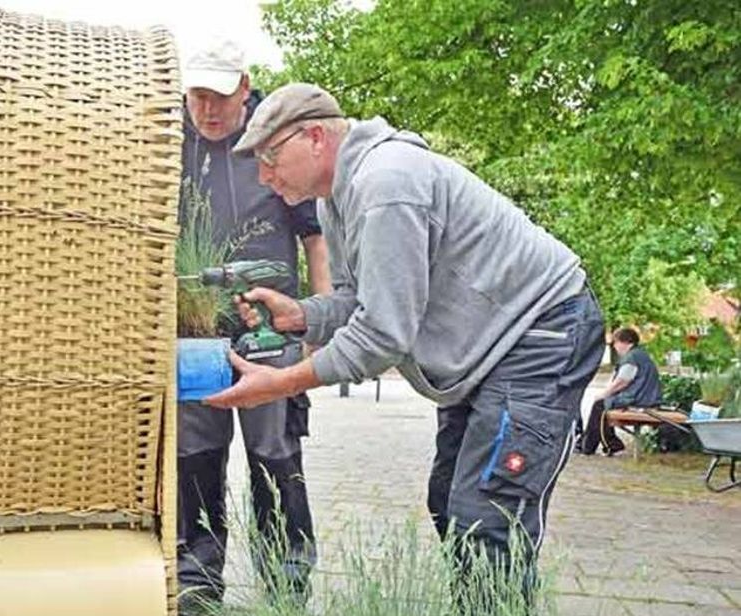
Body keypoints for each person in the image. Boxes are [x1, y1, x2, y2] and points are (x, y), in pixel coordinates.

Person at [206, 83, 605, 580]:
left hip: (542, 331)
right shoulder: (336, 198)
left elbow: (382, 334)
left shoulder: (386, 183)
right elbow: (360, 298)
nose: (263, 177)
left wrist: (280, 384)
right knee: (449, 500)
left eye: (269, 156)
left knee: (488, 515)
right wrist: (302, 315)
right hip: (488, 346)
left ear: (314, 137)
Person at [177, 44, 330, 616]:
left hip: (272, 331)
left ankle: (287, 585)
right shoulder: (169, 139)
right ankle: (197, 579)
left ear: (245, 86)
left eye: (219, 95)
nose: (208, 109)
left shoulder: (276, 139)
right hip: (194, 333)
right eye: (198, 95)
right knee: (195, 454)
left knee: (274, 453)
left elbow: (316, 239)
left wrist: (316, 321)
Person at [579, 327, 662, 455]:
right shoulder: (640, 354)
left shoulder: (632, 357)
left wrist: (604, 394)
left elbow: (622, 381)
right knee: (602, 406)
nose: (615, 347)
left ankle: (594, 446)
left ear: (626, 342)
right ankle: (595, 444)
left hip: (638, 400)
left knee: (600, 405)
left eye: (615, 342)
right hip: (646, 397)